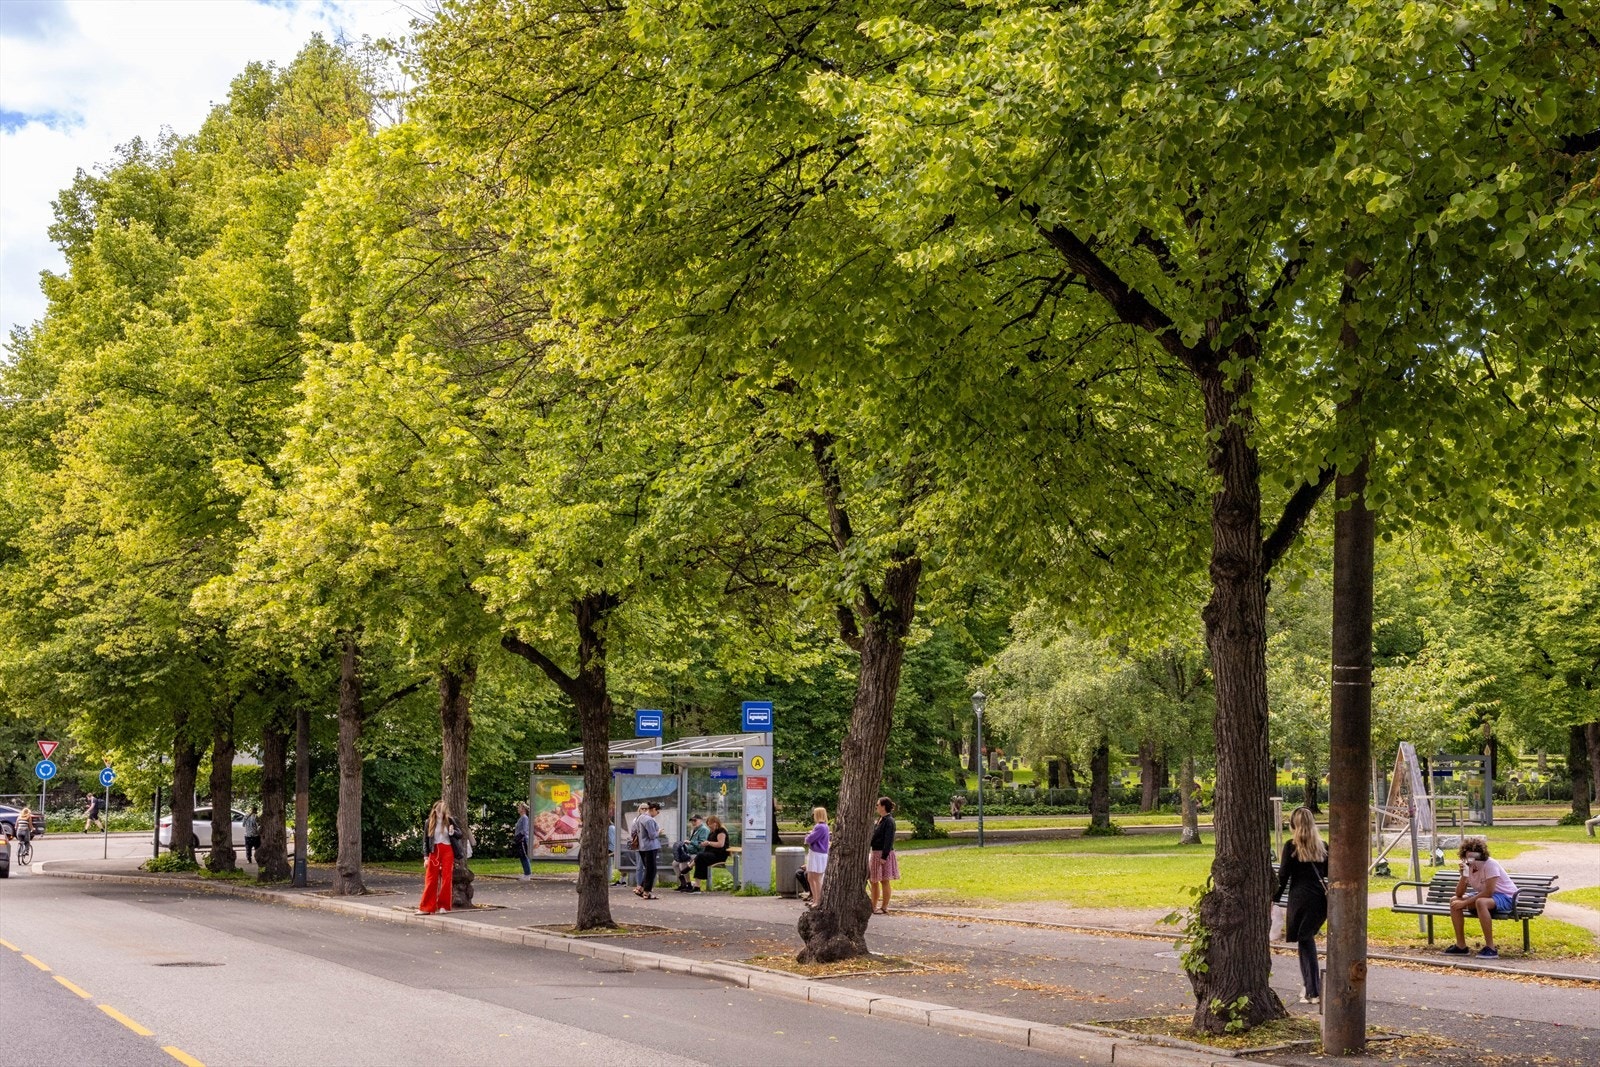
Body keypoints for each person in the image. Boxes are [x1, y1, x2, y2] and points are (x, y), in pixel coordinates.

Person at [1273, 806, 1329, 1005]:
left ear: (1293, 825)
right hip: (1320, 901)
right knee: (1307, 940)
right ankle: (1310, 986)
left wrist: (1274, 899)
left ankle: (1312, 990)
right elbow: (1329, 872)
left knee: (1305, 942)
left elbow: (1284, 876)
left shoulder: (1291, 846)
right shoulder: (1323, 846)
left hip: (1300, 899)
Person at [1447, 835, 1516, 958]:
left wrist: (1464, 903)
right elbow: (1459, 894)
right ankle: (1461, 946)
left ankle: (1491, 948)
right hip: (1487, 896)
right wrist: (1464, 876)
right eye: (1468, 856)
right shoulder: (1468, 866)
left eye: (1474, 856)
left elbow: (1488, 892)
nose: (1471, 859)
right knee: (1454, 901)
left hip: (1507, 896)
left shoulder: (1490, 864)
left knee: (1481, 902)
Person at [418, 801, 462, 914]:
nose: (441, 815)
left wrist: (452, 832)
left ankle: (443, 905)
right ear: (435, 810)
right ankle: (426, 907)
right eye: (439, 811)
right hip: (434, 850)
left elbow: (460, 834)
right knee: (431, 879)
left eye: (443, 812)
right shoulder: (429, 822)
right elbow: (426, 841)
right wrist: (426, 857)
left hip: (447, 850)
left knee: (446, 878)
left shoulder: (450, 820)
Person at [869, 797, 900, 915]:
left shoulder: (889, 821)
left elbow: (889, 840)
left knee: (884, 880)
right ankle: (873, 905)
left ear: (883, 806)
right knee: (874, 880)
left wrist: (884, 856)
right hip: (876, 851)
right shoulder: (880, 819)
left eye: (877, 805)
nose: (876, 807)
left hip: (883, 853)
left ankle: (884, 906)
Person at [689, 816, 729, 891]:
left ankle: (689, 867)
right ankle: (697, 886)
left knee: (700, 856)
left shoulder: (721, 831)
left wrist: (709, 843)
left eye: (710, 824)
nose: (709, 826)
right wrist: (704, 844)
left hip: (719, 855)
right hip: (711, 854)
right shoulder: (712, 832)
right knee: (700, 858)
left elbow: (721, 844)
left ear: (715, 823)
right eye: (708, 824)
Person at [632, 802, 661, 899]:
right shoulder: (649, 820)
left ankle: (640, 887)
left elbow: (634, 831)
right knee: (651, 870)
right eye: (657, 811)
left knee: (649, 869)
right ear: (653, 809)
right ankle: (646, 892)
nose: (658, 813)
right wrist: (659, 832)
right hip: (650, 847)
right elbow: (652, 835)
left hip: (642, 847)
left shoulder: (640, 817)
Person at [673, 814, 709, 891]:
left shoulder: (704, 830)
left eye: (695, 820)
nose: (693, 822)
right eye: (692, 820)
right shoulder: (694, 829)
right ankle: (683, 883)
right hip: (691, 852)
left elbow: (702, 845)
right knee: (675, 863)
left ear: (700, 820)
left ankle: (688, 884)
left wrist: (690, 842)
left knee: (683, 861)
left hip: (699, 854)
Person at [803, 806, 830, 905]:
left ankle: (818, 900)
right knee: (811, 877)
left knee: (816, 878)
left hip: (817, 854)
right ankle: (815, 899)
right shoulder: (825, 826)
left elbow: (810, 839)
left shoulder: (820, 826)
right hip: (817, 853)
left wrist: (807, 836)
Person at [513, 802, 532, 881]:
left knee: (524, 856)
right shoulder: (521, 818)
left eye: (519, 807)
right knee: (522, 856)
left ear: (523, 809)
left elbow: (524, 830)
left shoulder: (524, 818)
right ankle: (526, 873)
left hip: (522, 840)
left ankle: (527, 874)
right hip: (520, 840)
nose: (518, 808)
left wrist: (519, 837)